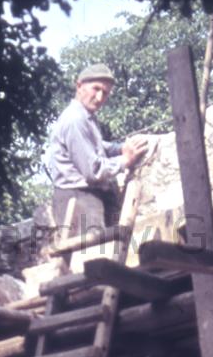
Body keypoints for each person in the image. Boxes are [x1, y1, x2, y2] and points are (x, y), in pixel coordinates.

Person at [48, 63, 148, 238]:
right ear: (79, 86)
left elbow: (97, 146)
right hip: (78, 198)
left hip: (89, 196)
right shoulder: (75, 120)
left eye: (105, 93)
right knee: (92, 251)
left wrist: (120, 148)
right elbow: (93, 171)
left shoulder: (86, 117)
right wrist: (125, 160)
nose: (100, 97)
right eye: (96, 89)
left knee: (111, 247)